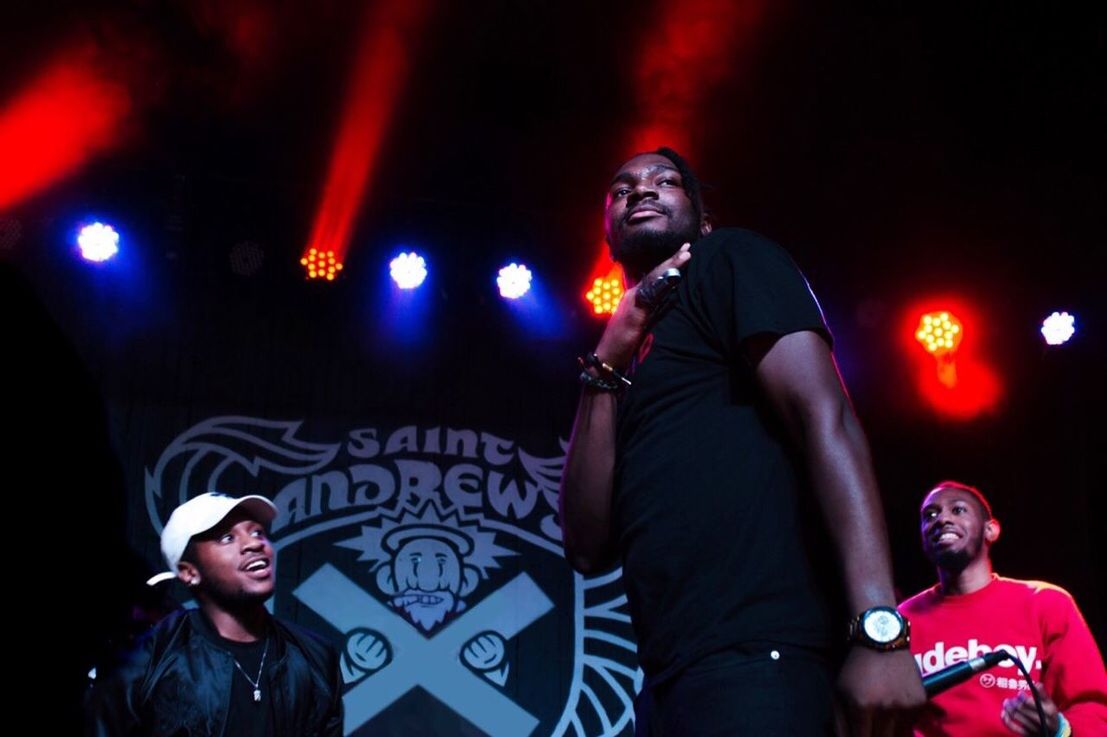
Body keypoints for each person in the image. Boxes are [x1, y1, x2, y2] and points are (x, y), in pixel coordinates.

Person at [559, 147, 923, 735]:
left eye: (666, 181)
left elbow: (824, 419)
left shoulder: (729, 259)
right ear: (607, 234)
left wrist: (879, 627)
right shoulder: (625, 364)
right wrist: (606, 360)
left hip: (766, 655)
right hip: (672, 679)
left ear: (702, 222)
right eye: (622, 189)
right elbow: (585, 543)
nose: (641, 191)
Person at [86, 492, 344, 736]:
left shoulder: (317, 658)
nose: (254, 543)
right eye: (227, 538)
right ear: (189, 572)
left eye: (257, 532)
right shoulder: (149, 660)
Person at [900, 481, 1107, 736]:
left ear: (991, 530)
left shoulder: (1046, 603)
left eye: (958, 510)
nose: (941, 519)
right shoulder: (902, 620)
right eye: (929, 515)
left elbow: (1092, 708)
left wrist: (1060, 729)